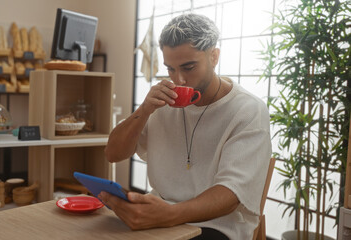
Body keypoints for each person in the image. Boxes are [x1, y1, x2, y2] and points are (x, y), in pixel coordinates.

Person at [101, 13, 272, 240]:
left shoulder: (247, 110)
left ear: (214, 56)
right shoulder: (162, 102)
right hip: (162, 214)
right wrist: (144, 111)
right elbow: (113, 153)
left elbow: (230, 195)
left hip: (219, 225)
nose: (178, 80)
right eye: (170, 69)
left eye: (188, 67)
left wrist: (169, 214)